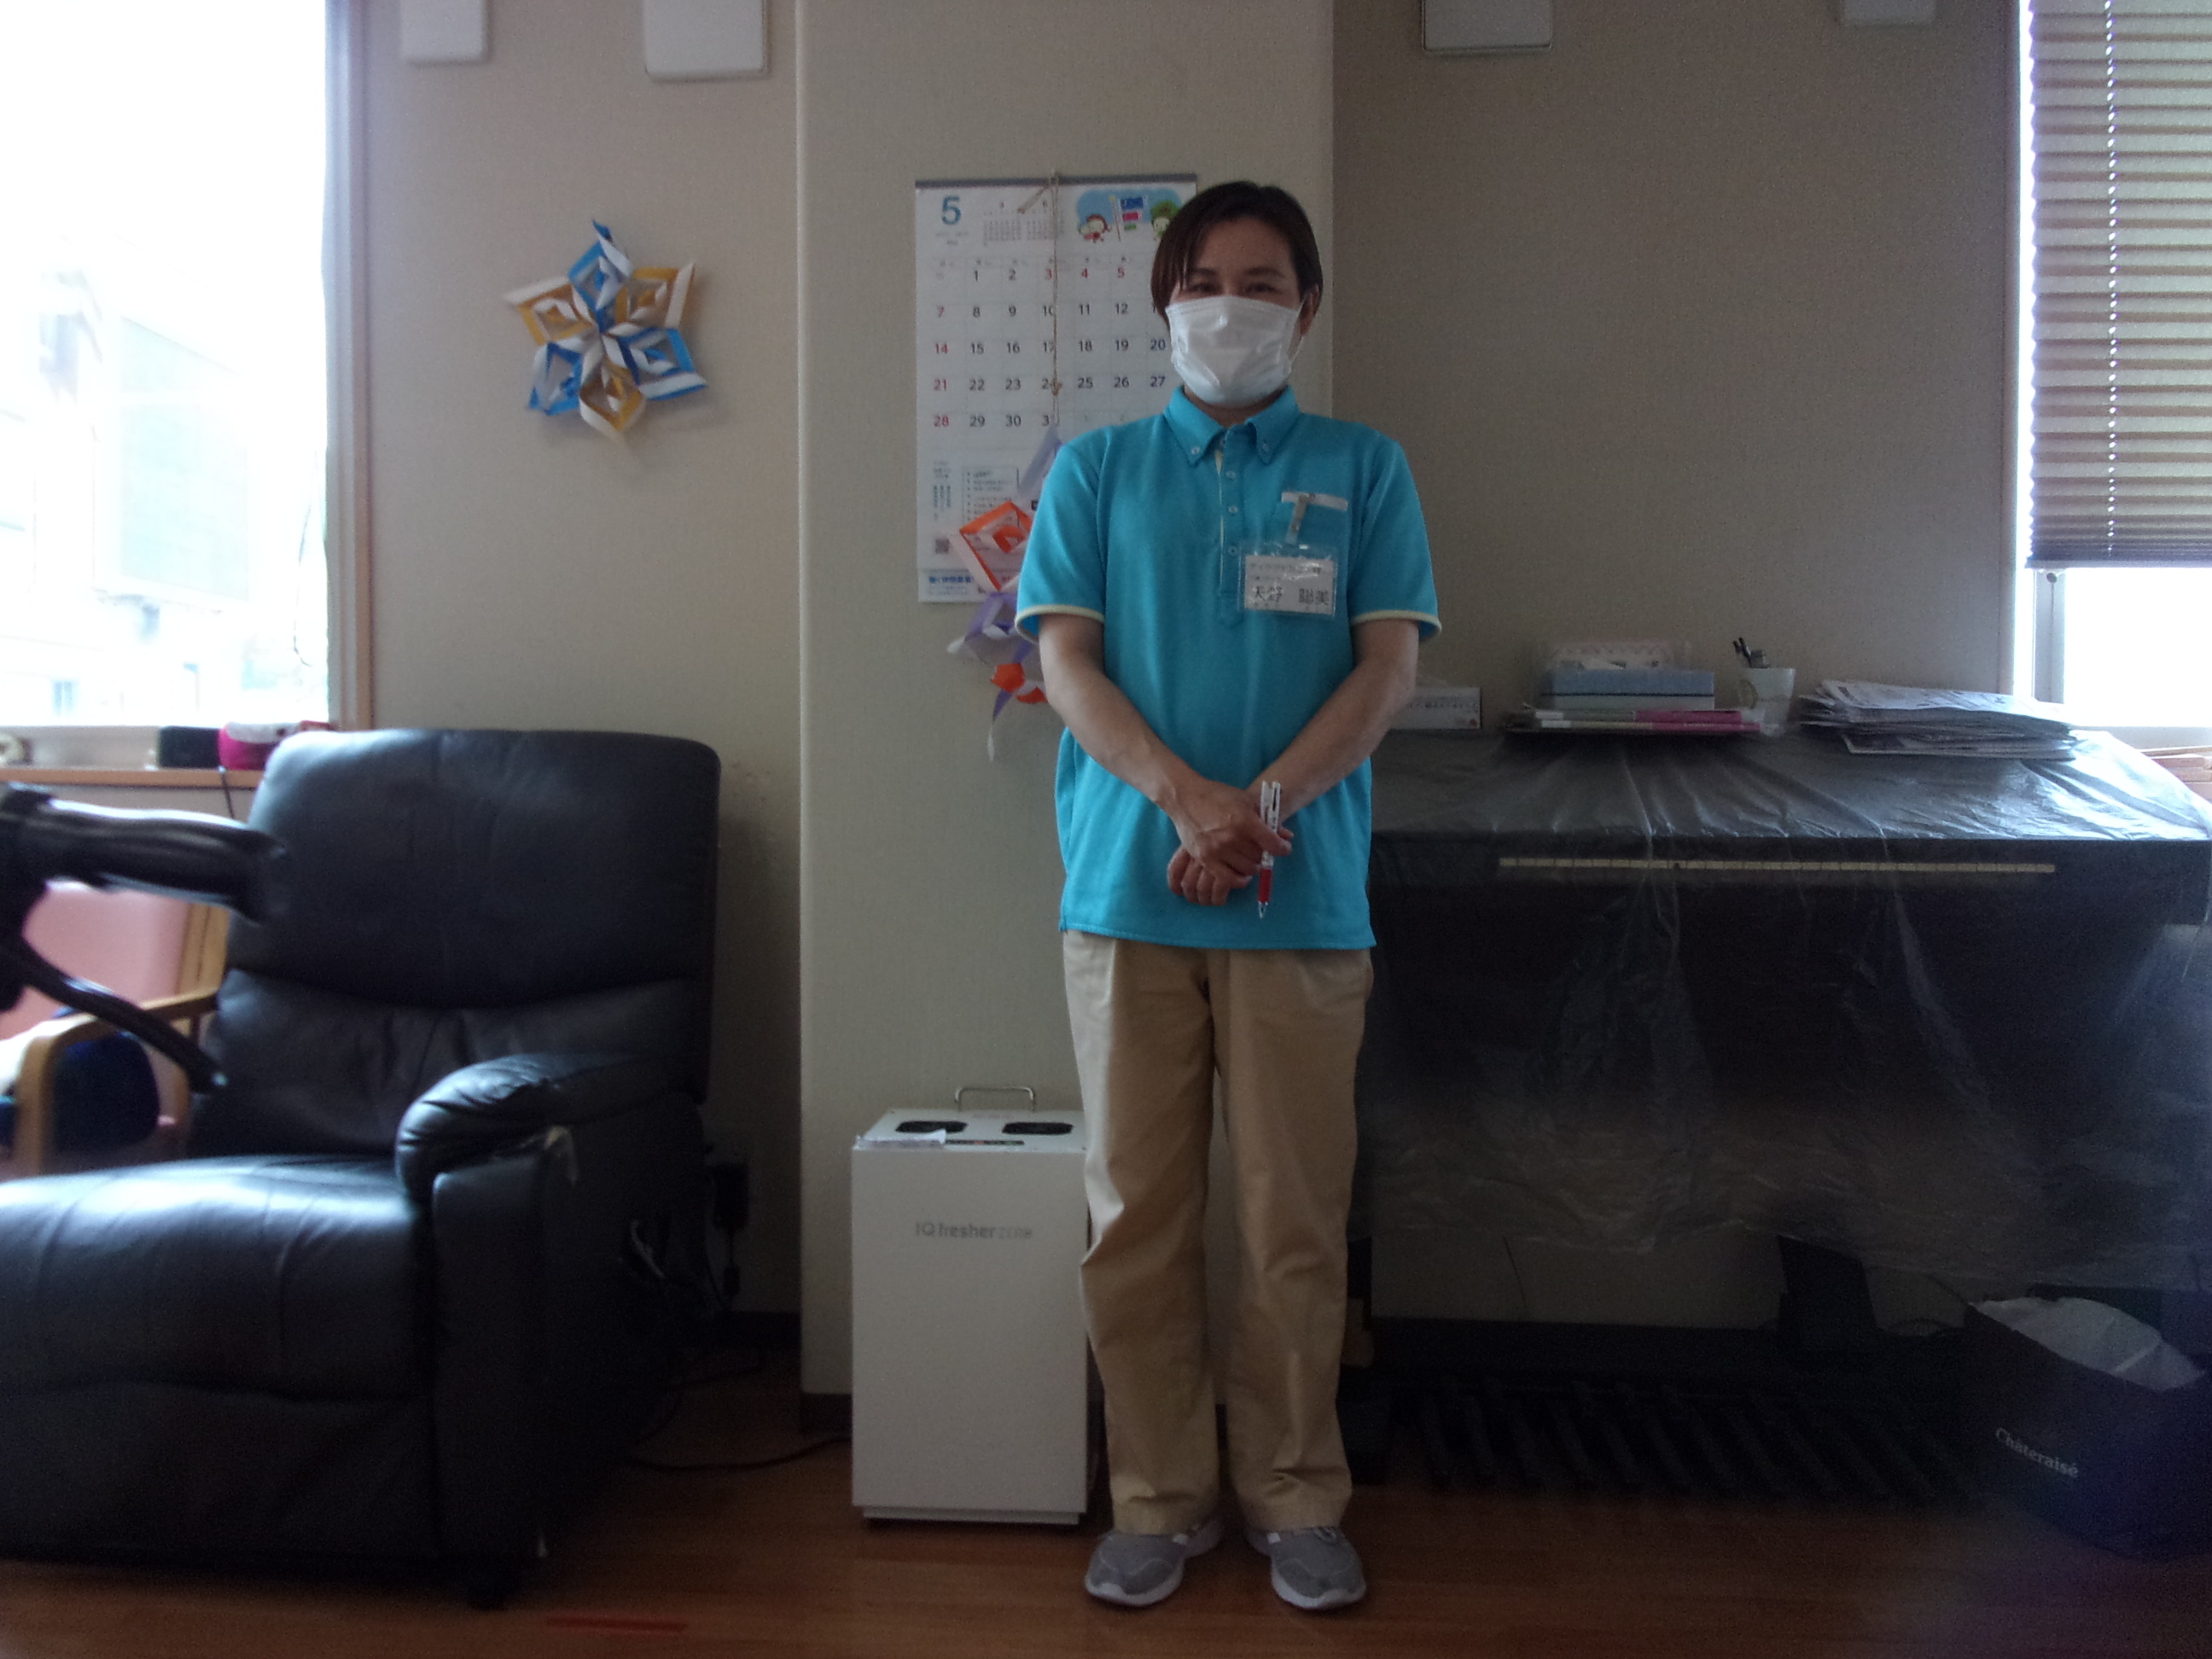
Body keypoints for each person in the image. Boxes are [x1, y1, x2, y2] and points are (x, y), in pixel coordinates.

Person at [1015, 181, 1440, 1612]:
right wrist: (1186, 799)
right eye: (1202, 281)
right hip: (1126, 895)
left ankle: (1296, 1494)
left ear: (1304, 309)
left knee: (1290, 1221)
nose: (1228, 307)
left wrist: (1261, 811)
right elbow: (1066, 663)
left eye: (1261, 284)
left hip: (1298, 904)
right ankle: (1157, 1495)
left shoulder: (1364, 468)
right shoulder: (1096, 472)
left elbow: (1388, 669)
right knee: (1134, 1216)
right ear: (1164, 302)